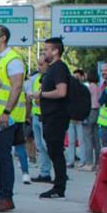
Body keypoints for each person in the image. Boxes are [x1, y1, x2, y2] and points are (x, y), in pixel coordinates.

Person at [0, 25, 26, 213]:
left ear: (3, 39)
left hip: (5, 118)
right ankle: (1, 195)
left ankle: (7, 197)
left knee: (3, 156)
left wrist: (7, 112)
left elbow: (16, 87)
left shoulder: (13, 59)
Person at [37, 38, 72, 199]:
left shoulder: (58, 68)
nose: (44, 52)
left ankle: (59, 187)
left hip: (56, 117)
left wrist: (41, 94)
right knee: (53, 150)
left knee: (56, 151)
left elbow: (62, 91)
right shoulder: (52, 68)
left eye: (46, 49)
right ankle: (58, 185)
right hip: (51, 116)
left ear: (55, 51)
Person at [26, 60, 51, 184]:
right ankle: (44, 172)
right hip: (36, 115)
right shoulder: (35, 79)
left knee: (47, 145)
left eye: (41, 65)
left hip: (45, 116)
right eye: (38, 64)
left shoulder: (50, 78)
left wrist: (36, 97)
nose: (39, 67)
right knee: (40, 146)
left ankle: (54, 171)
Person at [82, 68, 103, 171]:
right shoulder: (99, 88)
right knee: (96, 139)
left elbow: (85, 100)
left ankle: (89, 163)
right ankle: (98, 162)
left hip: (89, 111)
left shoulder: (89, 87)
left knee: (87, 138)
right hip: (97, 111)